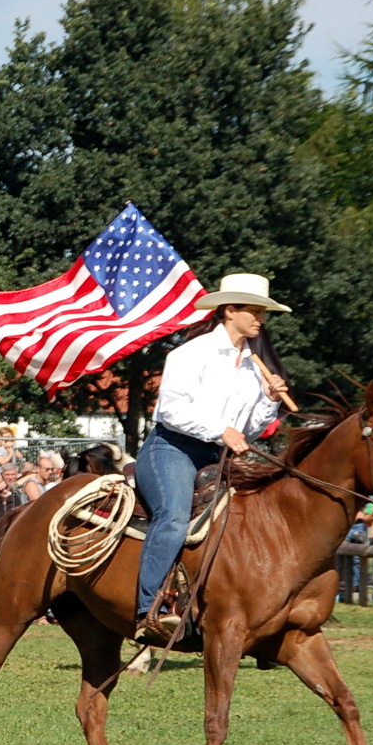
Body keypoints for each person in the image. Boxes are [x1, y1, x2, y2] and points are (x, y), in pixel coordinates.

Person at [133, 273, 288, 640]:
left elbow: (246, 431)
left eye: (263, 313)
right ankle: (147, 609)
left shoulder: (253, 368)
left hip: (218, 456)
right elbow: (170, 411)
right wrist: (220, 431)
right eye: (255, 311)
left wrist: (270, 399)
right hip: (172, 448)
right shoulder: (191, 353)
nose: (261, 319)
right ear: (229, 310)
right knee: (172, 515)